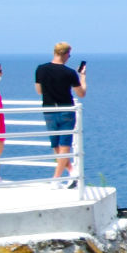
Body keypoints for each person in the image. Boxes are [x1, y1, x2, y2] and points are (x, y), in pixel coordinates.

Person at [34, 42, 86, 185]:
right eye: (69, 54)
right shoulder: (69, 72)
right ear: (65, 54)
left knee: (56, 145)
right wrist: (83, 77)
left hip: (49, 110)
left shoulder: (40, 69)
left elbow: (39, 91)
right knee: (64, 146)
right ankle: (58, 178)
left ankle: (68, 172)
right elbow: (81, 93)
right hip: (66, 110)